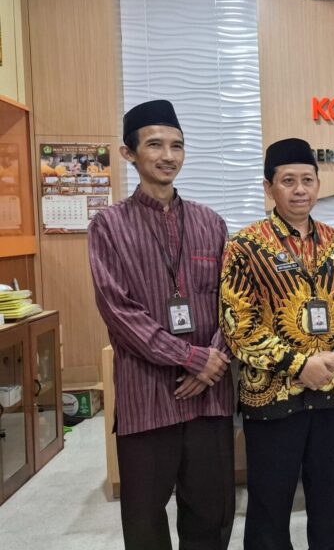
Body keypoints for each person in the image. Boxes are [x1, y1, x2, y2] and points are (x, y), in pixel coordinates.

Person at [88, 99, 234, 550]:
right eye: (155, 145)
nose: (168, 155)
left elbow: (234, 303)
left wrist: (213, 359)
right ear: (128, 153)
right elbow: (119, 311)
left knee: (212, 512)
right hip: (147, 395)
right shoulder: (108, 226)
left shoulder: (211, 223)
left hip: (210, 397)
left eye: (177, 145)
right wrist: (192, 358)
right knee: (145, 519)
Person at [219, 138, 334, 550]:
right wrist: (299, 364)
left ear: (318, 184)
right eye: (288, 181)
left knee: (332, 494)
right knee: (270, 499)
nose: (299, 189)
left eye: (307, 180)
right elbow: (238, 326)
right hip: (272, 395)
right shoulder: (245, 247)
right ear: (269, 188)